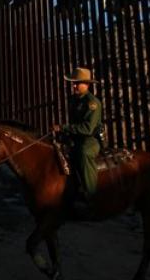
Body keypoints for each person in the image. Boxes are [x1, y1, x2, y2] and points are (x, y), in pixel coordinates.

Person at [52, 67, 102, 204]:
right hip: (75, 137)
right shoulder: (74, 100)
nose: (74, 86)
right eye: (73, 83)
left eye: (77, 83)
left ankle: (90, 195)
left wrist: (64, 128)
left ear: (87, 84)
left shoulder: (92, 103)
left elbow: (88, 129)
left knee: (84, 153)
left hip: (90, 139)